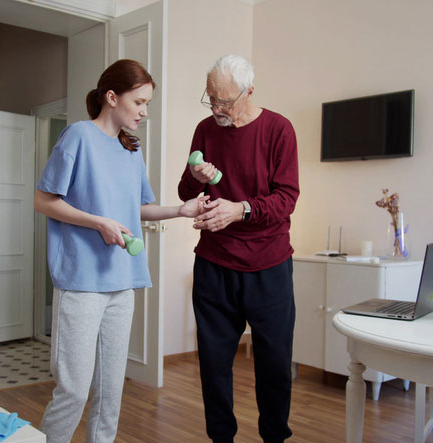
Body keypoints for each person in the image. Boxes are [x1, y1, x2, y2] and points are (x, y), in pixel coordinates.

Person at [35, 59, 207, 443]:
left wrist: (181, 209)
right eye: (139, 102)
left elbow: (138, 208)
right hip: (81, 282)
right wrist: (99, 222)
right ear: (111, 98)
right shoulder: (77, 136)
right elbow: (44, 201)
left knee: (110, 393)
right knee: (74, 390)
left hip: (122, 282)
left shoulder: (131, 149)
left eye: (148, 103)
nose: (145, 112)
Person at [177, 54, 300, 443]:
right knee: (213, 365)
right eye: (211, 98)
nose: (216, 108)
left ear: (249, 91)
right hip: (214, 265)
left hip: (269, 265)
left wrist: (240, 210)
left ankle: (275, 437)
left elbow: (286, 198)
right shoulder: (205, 130)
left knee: (275, 366)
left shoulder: (279, 129)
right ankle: (221, 439)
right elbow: (185, 192)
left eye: (225, 101)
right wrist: (194, 178)